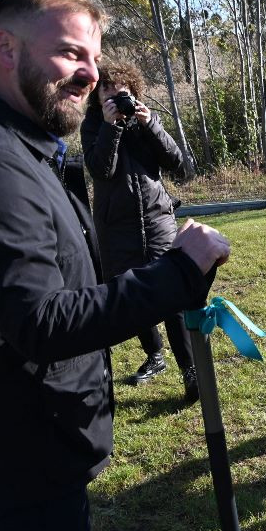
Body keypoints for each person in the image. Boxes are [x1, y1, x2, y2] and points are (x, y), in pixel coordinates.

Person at [0, 0, 230, 531]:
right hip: (17, 473)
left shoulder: (22, 149)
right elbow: (42, 320)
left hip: (20, 456)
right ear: (4, 47)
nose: (88, 74)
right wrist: (181, 273)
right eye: (72, 54)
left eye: (94, 60)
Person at [81, 60, 198, 400]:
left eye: (122, 90)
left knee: (174, 296)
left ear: (133, 91)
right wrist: (110, 127)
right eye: (106, 88)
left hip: (158, 221)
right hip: (116, 228)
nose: (115, 95)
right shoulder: (92, 125)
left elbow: (178, 164)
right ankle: (154, 355)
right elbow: (102, 169)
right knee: (133, 298)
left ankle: (190, 370)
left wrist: (150, 127)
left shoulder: (147, 120)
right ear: (96, 94)